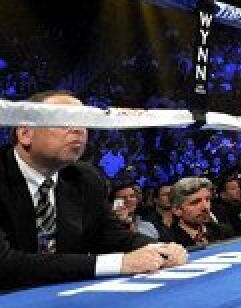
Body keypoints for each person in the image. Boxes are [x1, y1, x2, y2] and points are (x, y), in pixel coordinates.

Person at [0, 90, 187, 289]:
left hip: (62, 299)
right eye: (64, 120)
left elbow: (111, 236)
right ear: (25, 133)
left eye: (84, 121)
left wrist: (158, 249)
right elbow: (5, 263)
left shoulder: (85, 177)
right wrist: (120, 263)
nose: (79, 130)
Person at [167, 177, 234, 248]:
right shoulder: (169, 244)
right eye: (195, 202)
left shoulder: (225, 232)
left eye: (207, 199)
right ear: (177, 210)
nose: (205, 207)